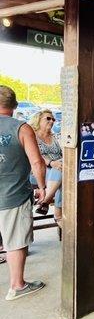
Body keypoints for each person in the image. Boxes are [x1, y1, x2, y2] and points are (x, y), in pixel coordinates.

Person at [0, 85, 47, 300]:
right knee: (16, 240)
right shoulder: (22, 128)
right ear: (15, 105)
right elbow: (37, 162)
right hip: (13, 194)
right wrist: (42, 186)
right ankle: (17, 285)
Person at [29, 110, 63, 225]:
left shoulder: (55, 137)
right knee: (62, 175)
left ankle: (46, 200)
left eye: (53, 119)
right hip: (38, 172)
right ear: (38, 120)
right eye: (48, 118)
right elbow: (34, 156)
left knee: (63, 176)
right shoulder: (32, 135)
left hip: (58, 169)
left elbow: (63, 154)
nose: (52, 121)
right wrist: (51, 163)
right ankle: (57, 213)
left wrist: (58, 163)